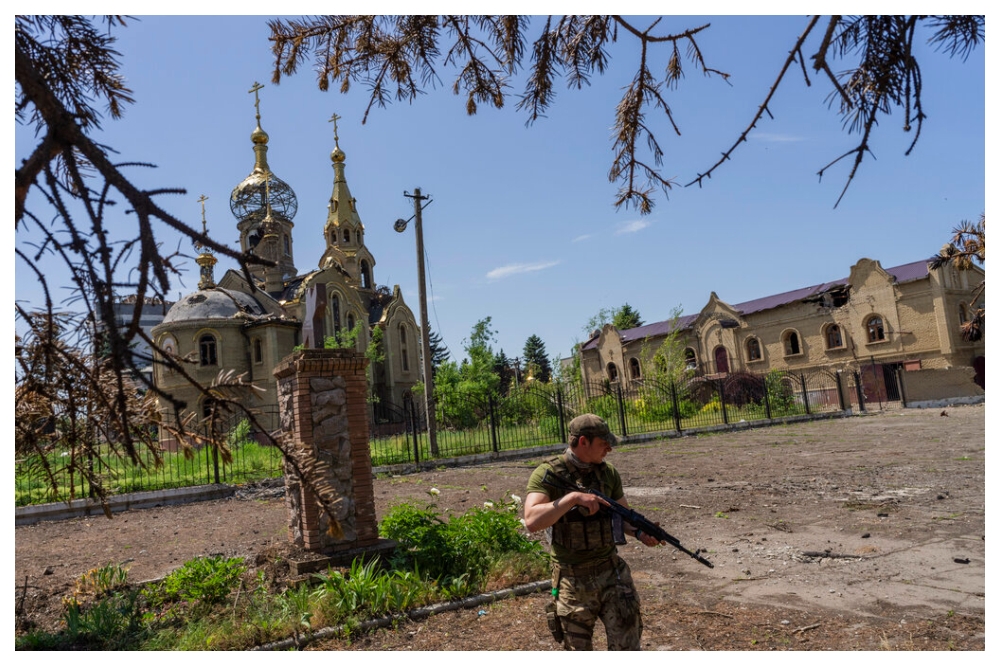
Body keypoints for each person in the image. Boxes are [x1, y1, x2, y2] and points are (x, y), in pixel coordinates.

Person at [524, 413, 664, 650]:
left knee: (628, 647)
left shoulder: (608, 473)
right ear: (582, 442)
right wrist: (573, 498)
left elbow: (622, 516)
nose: (609, 448)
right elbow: (531, 520)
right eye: (603, 443)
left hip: (611, 573)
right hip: (572, 579)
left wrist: (641, 533)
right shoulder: (549, 473)